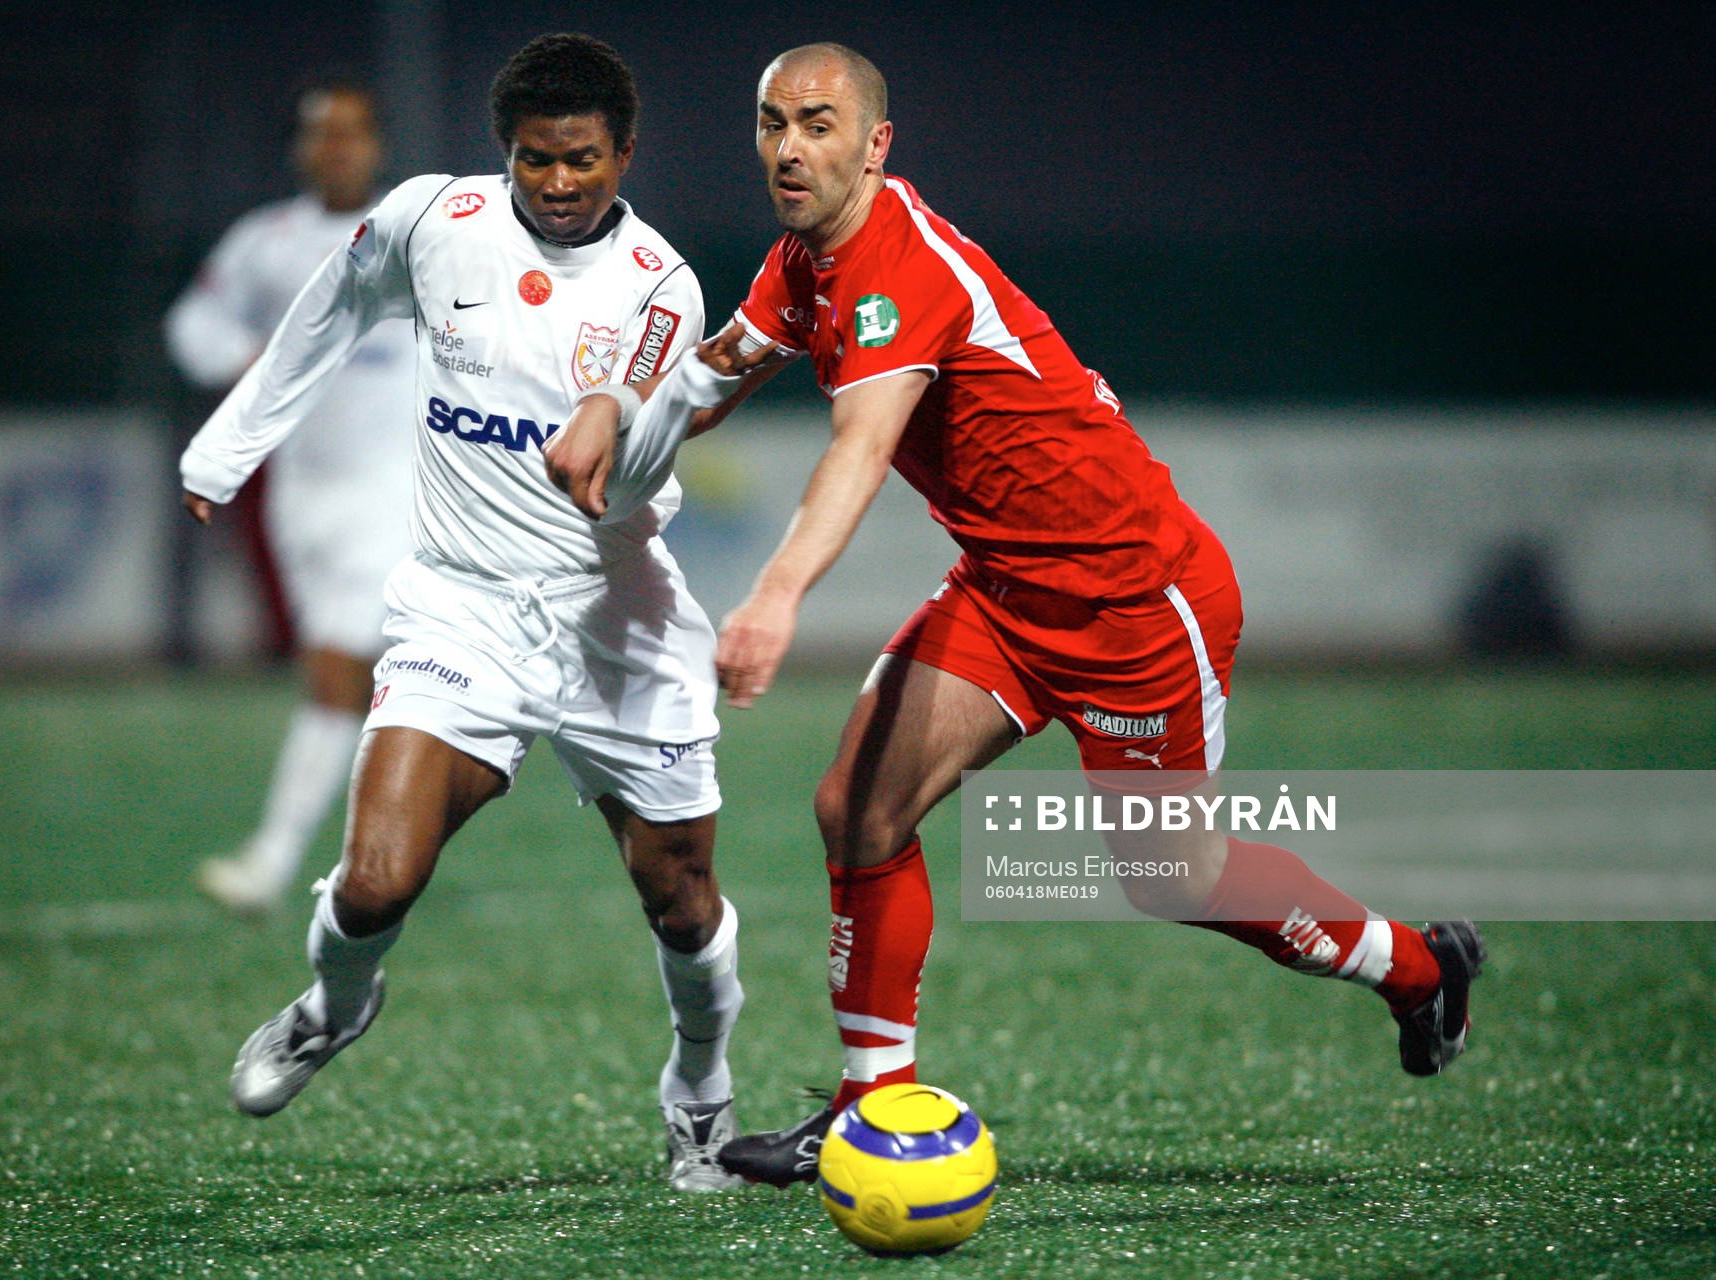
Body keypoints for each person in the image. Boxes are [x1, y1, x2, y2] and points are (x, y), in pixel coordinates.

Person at [544, 42, 1486, 1188]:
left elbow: (860, 447)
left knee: (1169, 874)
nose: (787, 148)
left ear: (874, 146)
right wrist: (616, 406)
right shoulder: (804, 263)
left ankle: (1415, 967)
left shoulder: (900, 269)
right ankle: (868, 1108)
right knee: (857, 808)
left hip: (1135, 605)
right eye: (770, 122)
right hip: (1004, 591)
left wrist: (776, 592)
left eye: (816, 124)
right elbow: (711, 374)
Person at [179, 34, 762, 1192]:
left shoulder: (662, 281)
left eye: (582, 159)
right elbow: (329, 306)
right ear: (505, 150)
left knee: (680, 899)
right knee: (373, 879)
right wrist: (229, 446)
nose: (559, 182)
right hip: (462, 603)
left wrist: (610, 410)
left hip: (614, 614)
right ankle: (332, 1006)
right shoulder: (431, 219)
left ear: (623, 153)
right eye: (537, 158)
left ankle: (698, 1083)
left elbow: (641, 385)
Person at [166, 80, 417, 915]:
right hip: (300, 491)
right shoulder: (263, 241)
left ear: (377, 144)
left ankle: (271, 863)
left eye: (351, 133)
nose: (335, 148)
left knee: (335, 668)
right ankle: (390, 849)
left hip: (394, 488)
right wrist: (240, 358)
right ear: (299, 148)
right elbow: (194, 324)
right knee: (364, 675)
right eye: (320, 134)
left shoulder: (413, 231)